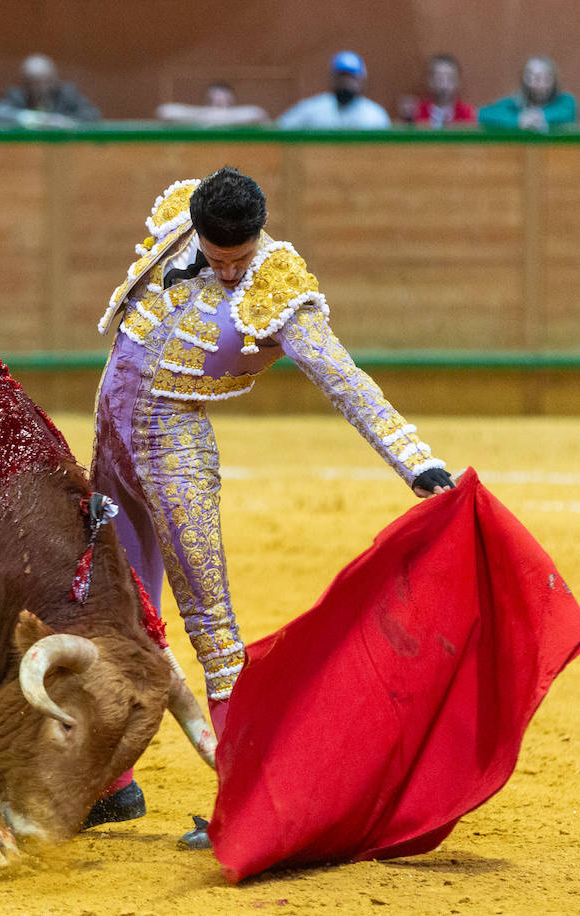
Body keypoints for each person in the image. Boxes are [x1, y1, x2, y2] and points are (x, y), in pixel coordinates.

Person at [84, 167, 455, 844]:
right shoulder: (176, 220)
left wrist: (416, 459)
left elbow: (346, 382)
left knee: (212, 627)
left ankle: (249, 805)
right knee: (109, 606)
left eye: (240, 260)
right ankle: (112, 784)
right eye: (218, 259)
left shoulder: (279, 287)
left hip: (174, 450)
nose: (228, 274)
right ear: (197, 232)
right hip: (112, 438)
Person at [277, 51, 390, 129]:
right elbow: (279, 128)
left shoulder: (375, 115)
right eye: (341, 76)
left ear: (361, 80)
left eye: (351, 77)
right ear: (332, 79)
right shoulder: (311, 110)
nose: (345, 82)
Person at [0, 53, 100, 127]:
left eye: (46, 81)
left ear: (54, 79)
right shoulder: (18, 95)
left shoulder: (67, 94)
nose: (41, 87)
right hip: (25, 149)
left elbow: (92, 114)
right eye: (34, 82)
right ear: (26, 82)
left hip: (62, 147)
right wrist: (31, 118)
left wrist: (65, 121)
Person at [478, 56, 576, 131]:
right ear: (525, 80)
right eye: (535, 78)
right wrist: (518, 119)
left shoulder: (565, 101)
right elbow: (484, 113)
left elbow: (565, 113)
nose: (540, 83)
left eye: (546, 78)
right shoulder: (515, 103)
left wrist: (540, 117)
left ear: (554, 80)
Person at [405, 54, 475, 127]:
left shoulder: (467, 112)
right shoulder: (418, 111)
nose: (444, 85)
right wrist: (409, 119)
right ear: (429, 81)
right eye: (439, 79)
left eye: (450, 79)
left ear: (458, 82)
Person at [156, 81, 268, 126]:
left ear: (231, 101)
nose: (219, 103)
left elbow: (258, 114)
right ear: (207, 101)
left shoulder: (247, 114)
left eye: (224, 101)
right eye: (215, 101)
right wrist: (206, 114)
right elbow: (165, 112)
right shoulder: (199, 115)